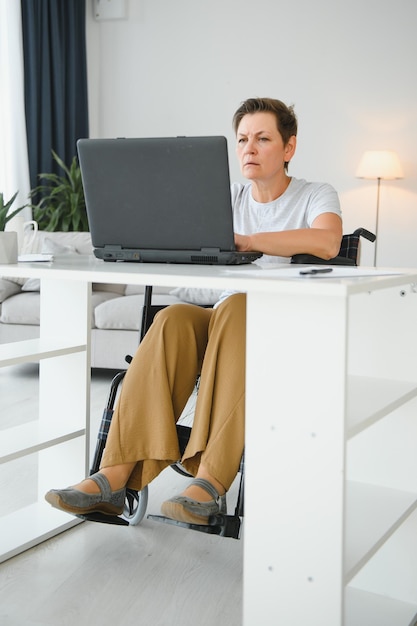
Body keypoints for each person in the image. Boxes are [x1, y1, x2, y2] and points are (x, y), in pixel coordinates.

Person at [45, 97, 342, 525]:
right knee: (172, 319)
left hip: (281, 325)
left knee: (238, 306)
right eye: (242, 139)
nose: (249, 149)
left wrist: (251, 241)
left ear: (289, 148)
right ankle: (112, 476)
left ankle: (210, 481)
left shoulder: (315, 193)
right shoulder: (227, 197)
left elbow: (327, 242)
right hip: (223, 318)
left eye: (262, 138)